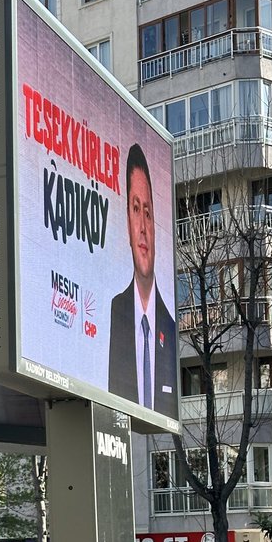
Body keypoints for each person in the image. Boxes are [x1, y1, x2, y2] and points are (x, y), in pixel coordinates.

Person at [108, 142, 177, 416]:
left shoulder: (170, 329)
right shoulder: (114, 313)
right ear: (126, 220)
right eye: (135, 209)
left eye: (148, 212)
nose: (143, 227)